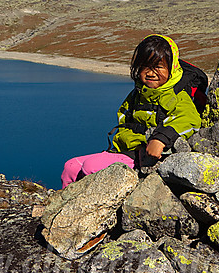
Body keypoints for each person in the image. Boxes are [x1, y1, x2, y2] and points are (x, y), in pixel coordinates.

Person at [60, 34, 202, 188]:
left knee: (91, 167)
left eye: (159, 66)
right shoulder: (138, 93)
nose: (150, 72)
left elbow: (190, 120)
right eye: (145, 66)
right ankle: (65, 204)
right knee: (71, 166)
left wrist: (160, 139)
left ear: (172, 68)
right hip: (123, 150)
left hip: (142, 155)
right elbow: (124, 117)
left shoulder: (177, 95)